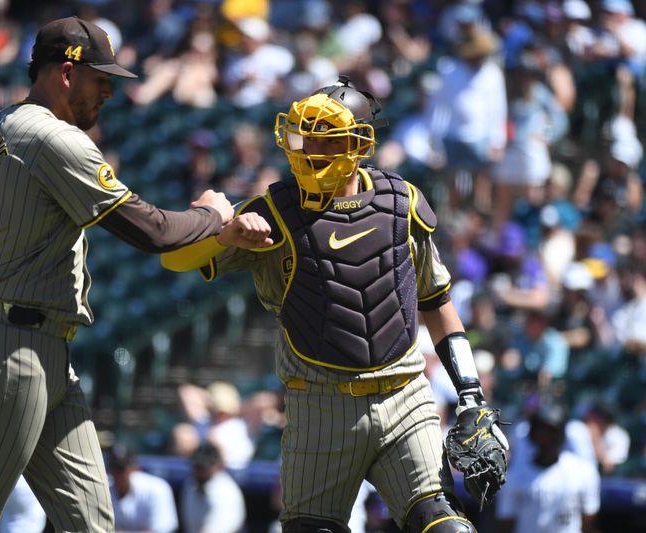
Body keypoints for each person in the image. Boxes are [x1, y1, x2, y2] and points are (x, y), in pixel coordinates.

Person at [0, 16, 239, 532]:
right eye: (101, 78)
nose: (110, 92)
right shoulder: (51, 138)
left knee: (91, 522)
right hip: (8, 351)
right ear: (66, 73)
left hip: (40, 348)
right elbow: (152, 232)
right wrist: (213, 214)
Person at [162, 75, 508, 532]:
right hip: (318, 405)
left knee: (446, 527)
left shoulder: (400, 203)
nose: (309, 152)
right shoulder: (272, 212)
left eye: (326, 142)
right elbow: (173, 257)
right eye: (304, 139)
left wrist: (470, 396)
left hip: (405, 396)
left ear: (359, 144)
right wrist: (223, 232)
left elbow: (437, 303)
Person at [496, 401, 600, 533]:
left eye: (551, 431)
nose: (545, 436)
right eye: (541, 430)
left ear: (560, 433)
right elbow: (505, 524)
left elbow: (588, 524)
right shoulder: (515, 476)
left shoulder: (583, 473)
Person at [107, 443, 179, 533]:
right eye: (114, 469)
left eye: (121, 469)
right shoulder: (105, 490)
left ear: (135, 468)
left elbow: (163, 530)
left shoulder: (157, 488)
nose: (117, 474)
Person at [180, 442, 246, 533]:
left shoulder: (225, 491)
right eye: (197, 466)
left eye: (203, 467)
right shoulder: (190, 484)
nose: (199, 471)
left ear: (218, 465)